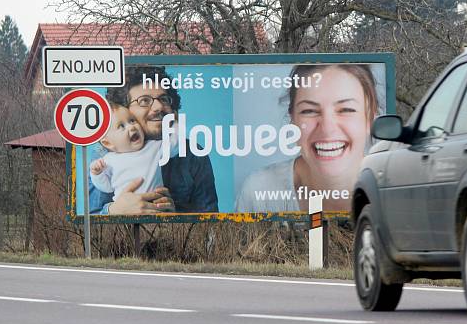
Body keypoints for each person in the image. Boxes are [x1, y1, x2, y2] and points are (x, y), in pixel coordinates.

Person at [236, 63, 379, 212]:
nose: (327, 129)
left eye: (346, 109)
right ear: (293, 120)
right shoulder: (259, 192)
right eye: (309, 111)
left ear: (370, 118)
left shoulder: (394, 188)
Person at [88, 66, 218, 215]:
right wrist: (114, 210)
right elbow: (90, 219)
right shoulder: (104, 156)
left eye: (163, 99)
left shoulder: (192, 153)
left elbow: (210, 218)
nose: (158, 107)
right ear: (125, 109)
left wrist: (176, 217)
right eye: (144, 100)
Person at [89, 104, 178, 201]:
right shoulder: (108, 160)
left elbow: (175, 144)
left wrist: (176, 123)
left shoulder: (153, 146)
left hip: (155, 204)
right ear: (108, 143)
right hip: (125, 210)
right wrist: (97, 174)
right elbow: (107, 188)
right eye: (121, 126)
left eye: (132, 120)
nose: (131, 127)